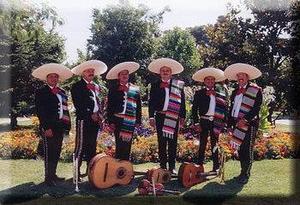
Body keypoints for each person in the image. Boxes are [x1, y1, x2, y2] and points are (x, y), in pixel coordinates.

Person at [33, 63, 73, 186]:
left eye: (56, 77)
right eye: (51, 77)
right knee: (49, 152)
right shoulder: (41, 92)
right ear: (47, 79)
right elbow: (41, 111)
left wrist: (67, 126)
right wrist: (46, 127)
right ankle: (48, 178)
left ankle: (53, 174)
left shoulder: (62, 92)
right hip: (49, 127)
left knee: (56, 151)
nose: (54, 79)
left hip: (60, 126)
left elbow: (65, 110)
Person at [224, 63, 263, 184]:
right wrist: (230, 126)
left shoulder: (256, 90)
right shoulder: (235, 91)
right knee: (240, 149)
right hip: (236, 123)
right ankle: (242, 172)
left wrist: (245, 120)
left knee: (247, 149)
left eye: (243, 76)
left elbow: (256, 108)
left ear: (247, 77)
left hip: (249, 124)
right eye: (238, 76)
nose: (240, 78)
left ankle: (246, 174)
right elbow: (231, 110)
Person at [148, 58, 186, 174]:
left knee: (173, 142)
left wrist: (182, 116)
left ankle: (172, 166)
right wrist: (151, 116)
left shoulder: (178, 85)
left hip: (173, 116)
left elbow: (183, 102)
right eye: (163, 70)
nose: (165, 72)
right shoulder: (155, 85)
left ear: (171, 72)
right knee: (162, 141)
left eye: (167, 70)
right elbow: (151, 102)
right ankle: (163, 165)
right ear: (160, 73)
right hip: (160, 116)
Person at [71, 60, 107, 179]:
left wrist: (100, 115)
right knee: (80, 147)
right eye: (88, 71)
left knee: (92, 147)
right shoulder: (77, 86)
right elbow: (79, 105)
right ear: (83, 73)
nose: (91, 72)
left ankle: (90, 172)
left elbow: (99, 103)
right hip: (84, 120)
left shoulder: (96, 87)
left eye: (92, 71)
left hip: (95, 121)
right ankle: (76, 173)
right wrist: (90, 114)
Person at [191, 67, 228, 172]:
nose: (210, 81)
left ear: (215, 81)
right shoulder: (199, 93)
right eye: (208, 80)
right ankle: (199, 165)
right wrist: (196, 122)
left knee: (214, 144)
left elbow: (225, 107)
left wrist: (224, 121)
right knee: (202, 143)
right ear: (204, 81)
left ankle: (216, 166)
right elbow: (194, 109)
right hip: (203, 120)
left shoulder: (221, 92)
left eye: (212, 80)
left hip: (216, 121)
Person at [106, 61, 142, 160]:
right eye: (122, 74)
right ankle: (118, 168)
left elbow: (138, 106)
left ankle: (126, 167)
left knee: (127, 144)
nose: (125, 75)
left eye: (126, 73)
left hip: (130, 120)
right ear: (118, 76)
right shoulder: (113, 89)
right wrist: (111, 121)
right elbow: (110, 107)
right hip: (118, 120)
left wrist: (138, 121)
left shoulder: (135, 89)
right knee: (119, 144)